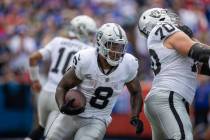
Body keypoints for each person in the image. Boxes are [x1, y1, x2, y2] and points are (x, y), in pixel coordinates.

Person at [44, 23, 144, 140]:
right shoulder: (86, 59)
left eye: (120, 47)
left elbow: (136, 92)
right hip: (73, 115)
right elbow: (62, 87)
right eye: (112, 46)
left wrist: (135, 116)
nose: (117, 51)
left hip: (98, 119)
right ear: (100, 43)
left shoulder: (129, 64)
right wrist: (62, 106)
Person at [138, 8, 210, 140]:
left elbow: (202, 65)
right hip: (169, 96)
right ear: (158, 19)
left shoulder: (167, 46)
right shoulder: (163, 29)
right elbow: (198, 52)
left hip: (163, 97)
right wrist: (194, 41)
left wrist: (193, 40)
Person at [26, 15, 97, 140]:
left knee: (39, 129)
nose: (91, 36)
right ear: (82, 30)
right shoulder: (89, 50)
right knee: (54, 136)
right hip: (63, 97)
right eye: (90, 33)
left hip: (45, 93)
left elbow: (33, 58)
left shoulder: (57, 41)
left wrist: (35, 80)